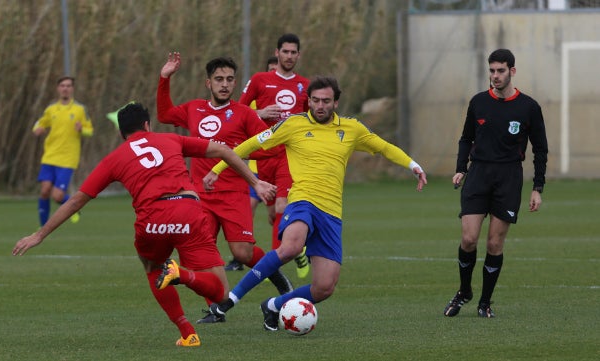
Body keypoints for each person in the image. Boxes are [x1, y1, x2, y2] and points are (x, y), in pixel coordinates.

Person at [13, 103, 277, 347]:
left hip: (152, 221)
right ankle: (182, 275)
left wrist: (40, 234)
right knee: (220, 293)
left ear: (121, 133)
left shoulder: (114, 159)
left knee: (152, 266)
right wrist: (255, 182)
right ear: (148, 125)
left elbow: (76, 202)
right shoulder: (170, 139)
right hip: (188, 212)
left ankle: (187, 332)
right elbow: (222, 150)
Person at [202, 76, 427, 331]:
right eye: (316, 100)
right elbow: (251, 144)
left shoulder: (351, 129)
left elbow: (384, 147)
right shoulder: (293, 125)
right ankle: (230, 300)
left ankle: (274, 305)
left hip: (331, 213)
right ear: (308, 101)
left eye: (326, 101)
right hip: (302, 201)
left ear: (335, 102)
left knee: (324, 287)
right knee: (290, 247)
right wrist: (219, 168)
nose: (320, 106)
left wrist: (413, 165)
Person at [156, 53, 294, 322]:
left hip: (233, 194)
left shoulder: (243, 114)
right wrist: (164, 78)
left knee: (241, 252)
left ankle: (278, 278)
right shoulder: (193, 109)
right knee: (202, 253)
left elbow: (266, 147)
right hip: (200, 196)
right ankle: (215, 308)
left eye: (230, 79)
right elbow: (164, 114)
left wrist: (243, 157)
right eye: (219, 79)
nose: (224, 84)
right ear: (208, 83)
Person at [443, 49, 548, 318]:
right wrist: (460, 168)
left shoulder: (529, 107)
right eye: (491, 71)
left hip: (508, 178)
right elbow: (466, 138)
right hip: (478, 175)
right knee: (468, 239)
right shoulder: (478, 102)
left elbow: (540, 149)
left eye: (500, 70)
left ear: (512, 71)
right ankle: (464, 291)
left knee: (494, 244)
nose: (495, 76)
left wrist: (537, 188)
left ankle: (485, 302)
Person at [238, 34, 310, 279]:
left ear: (298, 55)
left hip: (289, 156)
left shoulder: (304, 85)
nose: (289, 56)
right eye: (285, 51)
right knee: (272, 213)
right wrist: (261, 111)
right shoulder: (260, 80)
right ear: (277, 52)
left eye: (294, 52)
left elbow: (313, 120)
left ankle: (274, 261)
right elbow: (237, 110)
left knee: (282, 205)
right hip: (263, 157)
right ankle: (296, 249)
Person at [226, 55, 279, 272]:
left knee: (275, 215)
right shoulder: (256, 98)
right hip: (255, 170)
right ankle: (240, 258)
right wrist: (261, 113)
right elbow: (235, 114)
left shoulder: (290, 99)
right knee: (246, 210)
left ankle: (295, 248)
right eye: (271, 70)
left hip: (278, 164)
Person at [32, 76, 93, 227]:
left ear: (72, 89)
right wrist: (37, 129)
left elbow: (90, 130)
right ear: (58, 88)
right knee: (45, 191)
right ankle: (43, 226)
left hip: (67, 158)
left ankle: (73, 207)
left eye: (68, 86)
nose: (65, 88)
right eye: (62, 86)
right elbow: (40, 123)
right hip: (50, 156)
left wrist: (82, 130)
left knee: (57, 196)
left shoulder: (79, 109)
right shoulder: (51, 109)